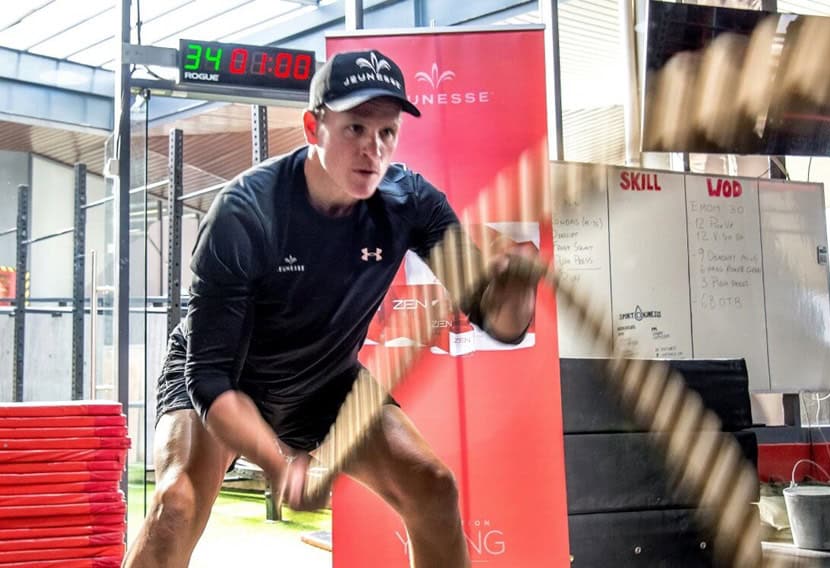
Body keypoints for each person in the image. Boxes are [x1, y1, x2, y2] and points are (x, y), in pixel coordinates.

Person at [123, 49, 537, 568]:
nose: (373, 149)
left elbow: (498, 322)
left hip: (325, 385)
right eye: (355, 129)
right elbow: (209, 379)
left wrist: (516, 284)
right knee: (175, 505)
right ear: (312, 126)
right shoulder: (245, 210)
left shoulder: (410, 202)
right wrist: (279, 464)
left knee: (432, 487)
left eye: (387, 132)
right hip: (229, 378)